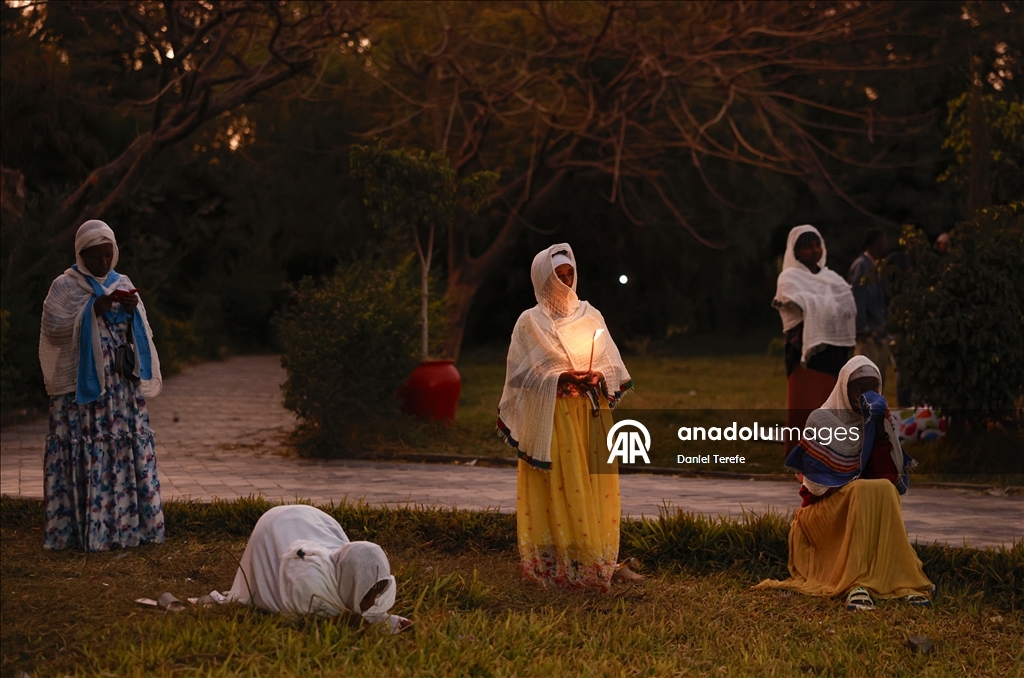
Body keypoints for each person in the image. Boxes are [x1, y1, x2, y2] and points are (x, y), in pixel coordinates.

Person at [497, 244, 639, 591]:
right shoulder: (530, 322)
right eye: (557, 277)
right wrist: (559, 377)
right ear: (542, 280)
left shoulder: (591, 316)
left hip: (590, 413)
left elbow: (611, 365)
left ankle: (599, 560)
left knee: (594, 487)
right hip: (554, 418)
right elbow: (517, 374)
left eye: (569, 275)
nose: (565, 283)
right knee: (563, 484)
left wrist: (596, 376)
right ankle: (559, 563)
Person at [754, 356, 933, 610]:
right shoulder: (822, 420)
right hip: (821, 518)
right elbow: (818, 487)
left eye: (873, 389)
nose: (866, 396)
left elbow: (890, 478)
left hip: (860, 510)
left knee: (884, 490)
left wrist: (879, 429)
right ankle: (856, 584)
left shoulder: (882, 421)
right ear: (843, 389)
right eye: (859, 389)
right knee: (862, 489)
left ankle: (901, 580)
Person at [38, 220, 164, 551]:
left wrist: (130, 310)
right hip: (82, 395)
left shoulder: (121, 282)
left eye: (107, 256)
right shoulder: (64, 287)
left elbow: (138, 331)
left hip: (119, 390)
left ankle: (128, 529)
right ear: (81, 255)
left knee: (120, 447)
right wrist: (91, 309)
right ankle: (83, 532)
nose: (102, 264)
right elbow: (53, 329)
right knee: (86, 444)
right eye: (95, 257)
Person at [226, 504, 411, 632]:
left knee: (355, 556)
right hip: (276, 525)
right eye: (367, 595)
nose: (371, 603)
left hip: (313, 520)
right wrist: (384, 623)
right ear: (349, 580)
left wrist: (387, 620)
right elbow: (328, 620)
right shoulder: (308, 583)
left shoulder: (348, 569)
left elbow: (359, 609)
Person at [772, 225, 856, 441]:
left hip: (834, 354)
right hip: (803, 355)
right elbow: (795, 302)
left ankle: (831, 459)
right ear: (796, 251)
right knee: (804, 408)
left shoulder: (833, 279)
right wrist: (826, 306)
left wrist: (821, 306)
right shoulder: (789, 277)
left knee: (830, 410)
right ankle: (801, 460)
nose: (815, 250)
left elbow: (847, 306)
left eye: (817, 244)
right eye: (808, 246)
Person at [847, 228, 890, 390]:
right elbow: (858, 298)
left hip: (879, 333)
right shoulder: (862, 266)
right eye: (883, 240)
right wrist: (862, 329)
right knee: (865, 385)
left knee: (877, 385)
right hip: (868, 335)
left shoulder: (876, 267)